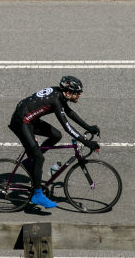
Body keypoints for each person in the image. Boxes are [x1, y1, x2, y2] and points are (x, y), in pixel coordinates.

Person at [8, 75, 100, 209]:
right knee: (39, 158)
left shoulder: (60, 94)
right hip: (21, 121)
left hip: (28, 117)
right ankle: (37, 195)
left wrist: (88, 127)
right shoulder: (55, 100)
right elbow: (67, 126)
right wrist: (86, 142)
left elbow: (69, 112)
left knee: (56, 135)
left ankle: (30, 162)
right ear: (68, 92)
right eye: (77, 93)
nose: (79, 96)